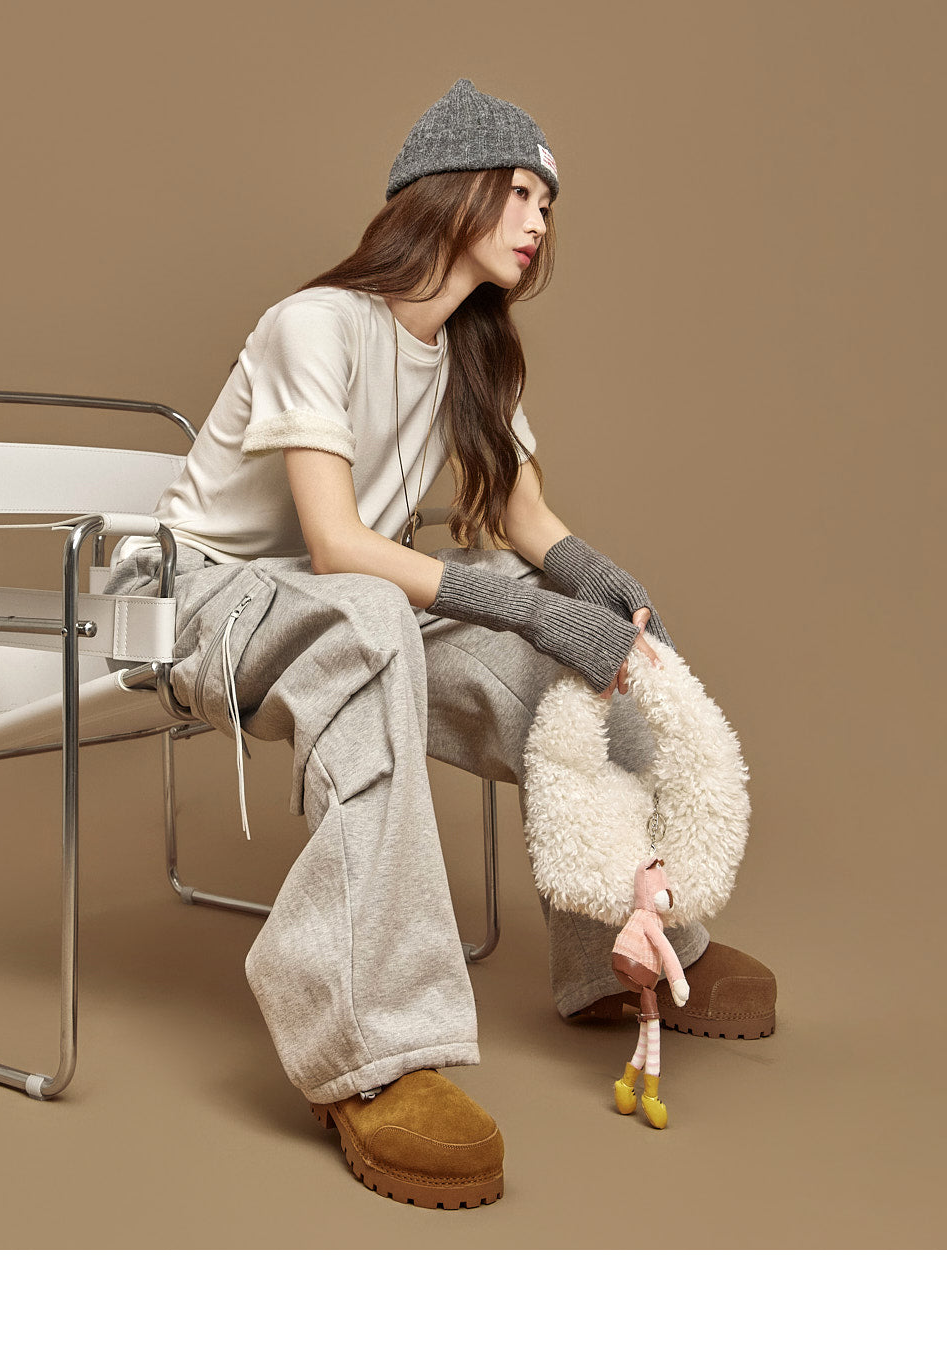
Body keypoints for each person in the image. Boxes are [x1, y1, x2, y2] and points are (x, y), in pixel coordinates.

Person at [105, 78, 776, 1209]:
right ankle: (373, 1051)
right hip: (192, 598)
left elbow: (526, 521)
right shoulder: (315, 323)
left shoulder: (476, 353)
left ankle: (625, 945)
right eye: (520, 192)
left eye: (548, 204)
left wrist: (604, 592)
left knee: (561, 657)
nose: (539, 220)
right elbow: (335, 543)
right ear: (448, 191)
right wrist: (531, 603)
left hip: (333, 601)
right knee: (391, 618)